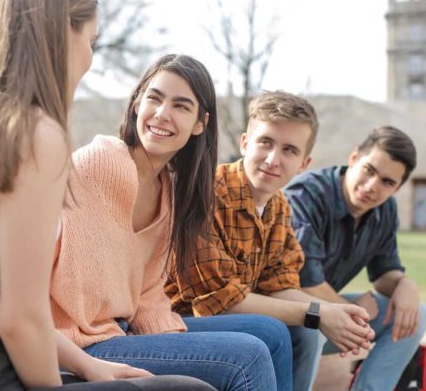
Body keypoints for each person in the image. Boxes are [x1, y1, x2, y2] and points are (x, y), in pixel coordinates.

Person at [0, 0, 216, 390]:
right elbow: (20, 319)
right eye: (91, 41)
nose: (90, 58)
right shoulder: (35, 135)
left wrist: (90, 368)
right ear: (59, 33)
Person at [51, 54, 292, 391]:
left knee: (273, 334)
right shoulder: (100, 163)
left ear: (199, 123)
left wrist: (175, 347)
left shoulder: (172, 191)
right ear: (136, 104)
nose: (162, 113)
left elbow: (148, 293)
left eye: (181, 105)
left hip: (118, 331)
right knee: (247, 355)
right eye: (154, 98)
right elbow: (65, 279)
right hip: (79, 339)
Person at [165, 90, 375, 391]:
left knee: (305, 331)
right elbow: (219, 303)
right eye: (266, 142)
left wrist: (334, 310)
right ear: (245, 143)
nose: (273, 159)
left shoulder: (278, 207)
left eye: (290, 150)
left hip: (225, 322)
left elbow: (278, 285)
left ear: (304, 163)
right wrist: (318, 311)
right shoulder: (207, 193)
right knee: (277, 328)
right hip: (174, 325)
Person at [283, 125, 426, 391]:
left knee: (416, 312)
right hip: (281, 316)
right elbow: (304, 281)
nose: (372, 186)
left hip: (328, 313)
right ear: (353, 159)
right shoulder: (307, 195)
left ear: (397, 188)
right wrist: (348, 311)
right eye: (369, 170)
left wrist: (406, 285)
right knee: (312, 325)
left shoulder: (385, 209)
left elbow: (385, 273)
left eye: (387, 182)